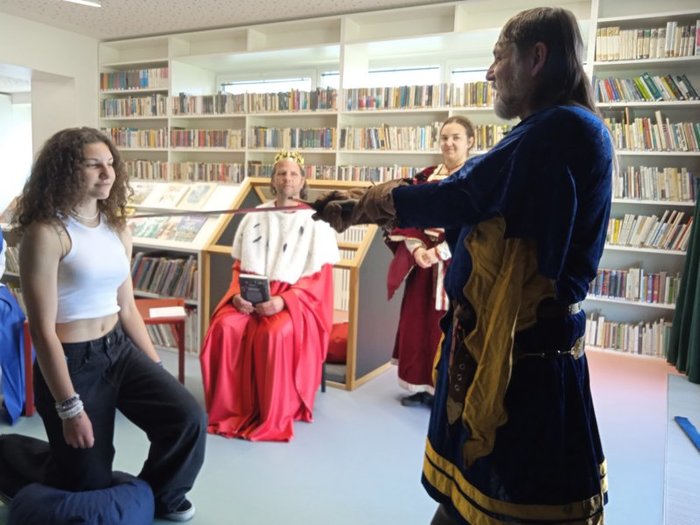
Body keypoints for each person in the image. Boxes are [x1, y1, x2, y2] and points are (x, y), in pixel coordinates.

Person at [311, 7, 612, 524]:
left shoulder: (560, 128)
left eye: (499, 56)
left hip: (521, 366)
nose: (490, 73)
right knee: (462, 504)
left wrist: (364, 205)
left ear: (537, 57)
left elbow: (466, 192)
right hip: (504, 350)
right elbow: (481, 207)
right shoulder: (554, 128)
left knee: (507, 508)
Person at [14, 127, 206, 522]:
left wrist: (155, 367)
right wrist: (69, 408)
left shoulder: (117, 228)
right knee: (84, 479)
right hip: (72, 361)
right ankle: (9, 456)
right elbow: (42, 331)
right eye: (93, 165)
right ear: (66, 171)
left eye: (110, 164)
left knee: (187, 418)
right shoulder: (47, 234)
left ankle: (163, 495)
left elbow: (127, 308)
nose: (107, 173)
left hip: (118, 349)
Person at [200, 150, 340, 442]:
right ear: (273, 180)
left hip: (294, 300)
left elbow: (318, 282)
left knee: (274, 334)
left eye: (293, 173)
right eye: (281, 173)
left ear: (303, 180)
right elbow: (239, 269)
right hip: (251, 295)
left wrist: (283, 301)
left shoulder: (317, 220)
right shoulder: (255, 215)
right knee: (225, 327)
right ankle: (229, 409)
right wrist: (236, 295)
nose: (287, 178)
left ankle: (271, 413)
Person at [387, 116, 475, 408]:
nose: (449, 143)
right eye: (444, 138)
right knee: (418, 324)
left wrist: (440, 252)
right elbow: (406, 216)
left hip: (457, 266)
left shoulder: (476, 179)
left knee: (449, 328)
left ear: (470, 142)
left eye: (456, 138)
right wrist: (416, 250)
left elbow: (475, 228)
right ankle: (420, 385)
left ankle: (446, 390)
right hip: (422, 265)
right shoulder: (426, 176)